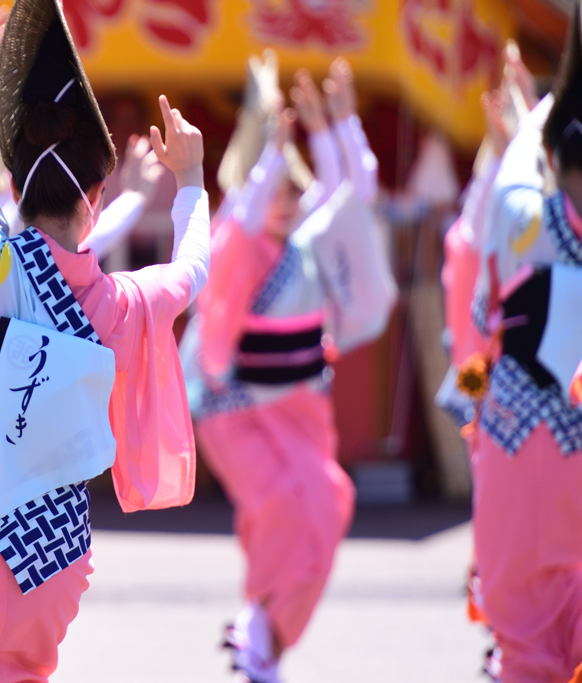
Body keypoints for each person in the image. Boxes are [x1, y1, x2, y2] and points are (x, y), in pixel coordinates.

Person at [0, 0, 208, 679]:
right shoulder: (113, 304)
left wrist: (4, 83)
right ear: (97, 192)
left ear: (15, 182)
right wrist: (192, 178)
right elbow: (193, 269)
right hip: (41, 557)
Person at [192, 55, 382, 683]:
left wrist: (337, 128)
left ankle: (264, 635)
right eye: (273, 189)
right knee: (279, 506)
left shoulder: (307, 246)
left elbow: (352, 197)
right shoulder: (238, 243)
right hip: (238, 414)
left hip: (301, 413)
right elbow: (242, 218)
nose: (284, 201)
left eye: (292, 190)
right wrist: (271, 151)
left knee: (327, 507)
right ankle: (260, 630)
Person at [467, 2, 582, 678]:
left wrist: (533, 109)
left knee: (523, 644)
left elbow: (478, 321)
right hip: (524, 431)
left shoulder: (518, 218)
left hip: (509, 431)